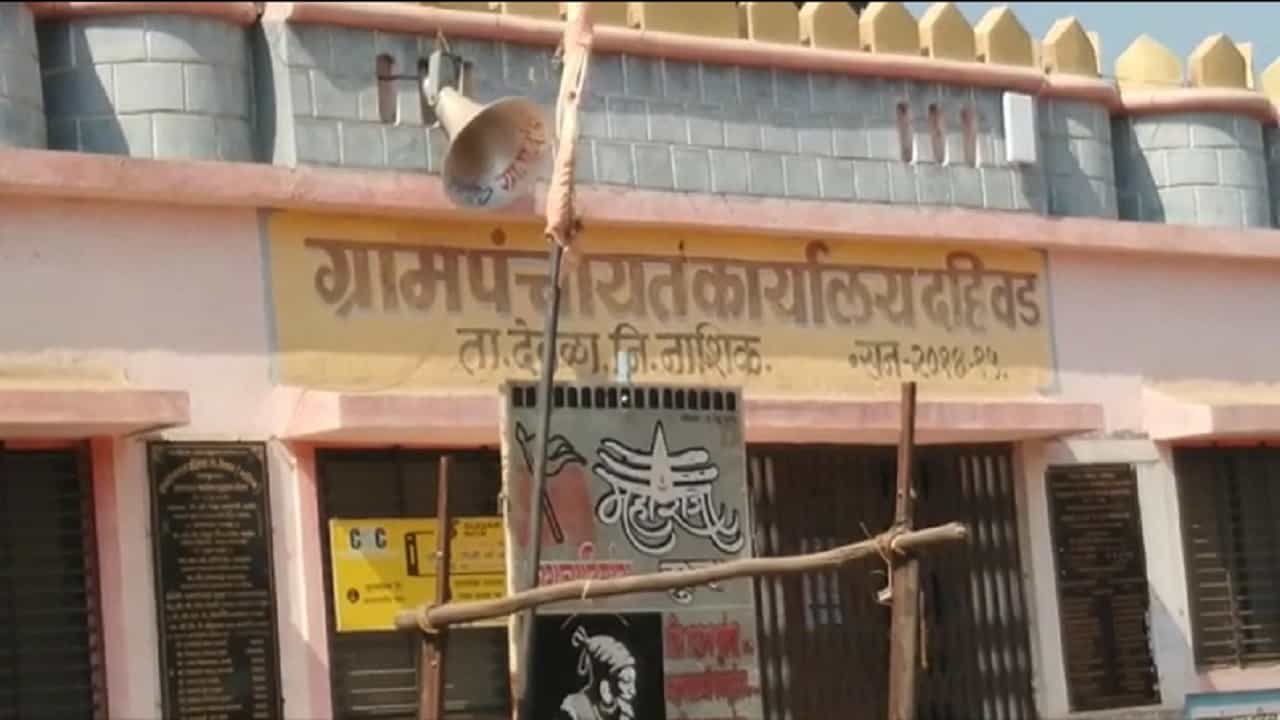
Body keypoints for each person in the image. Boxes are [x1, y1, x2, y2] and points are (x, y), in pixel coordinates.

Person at [555, 626, 638, 720]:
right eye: (625, 681)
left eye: (633, 681)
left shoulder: (625, 712)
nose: (633, 691)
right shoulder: (573, 708)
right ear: (605, 683)